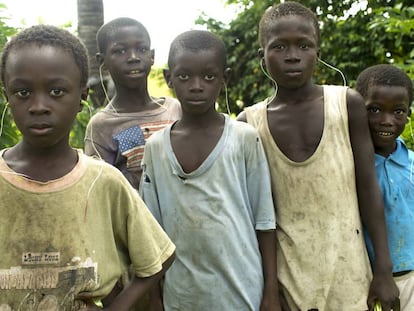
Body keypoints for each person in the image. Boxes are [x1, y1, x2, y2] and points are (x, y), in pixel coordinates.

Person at [0, 24, 175, 310]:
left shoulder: (102, 179)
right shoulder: (106, 126)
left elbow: (159, 256)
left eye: (56, 91)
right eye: (23, 92)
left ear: (82, 96)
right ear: (7, 95)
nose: (39, 106)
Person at [237, 2, 399, 310]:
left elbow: (368, 189)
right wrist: (269, 289)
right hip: (289, 281)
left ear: (318, 53)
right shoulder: (249, 124)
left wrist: (383, 270)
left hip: (349, 274)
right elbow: (256, 215)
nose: (293, 55)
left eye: (304, 45)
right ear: (262, 57)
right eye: (279, 46)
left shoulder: (345, 105)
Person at [139, 30, 281, 311]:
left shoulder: (243, 138)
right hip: (181, 297)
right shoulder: (155, 148)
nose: (196, 86)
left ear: (224, 78)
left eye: (208, 76)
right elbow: (150, 232)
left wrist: (271, 293)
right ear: (169, 79)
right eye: (184, 76)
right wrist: (154, 297)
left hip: (242, 293)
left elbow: (264, 221)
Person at [84, 17, 181, 190]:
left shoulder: (175, 109)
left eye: (141, 49)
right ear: (102, 62)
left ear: (151, 57)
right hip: (135, 215)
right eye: (120, 51)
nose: (133, 57)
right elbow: (101, 187)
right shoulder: (101, 125)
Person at [356, 64, 413, 311]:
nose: (387, 121)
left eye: (398, 111)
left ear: (408, 114)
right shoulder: (353, 165)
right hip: (368, 281)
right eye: (375, 110)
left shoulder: (411, 163)